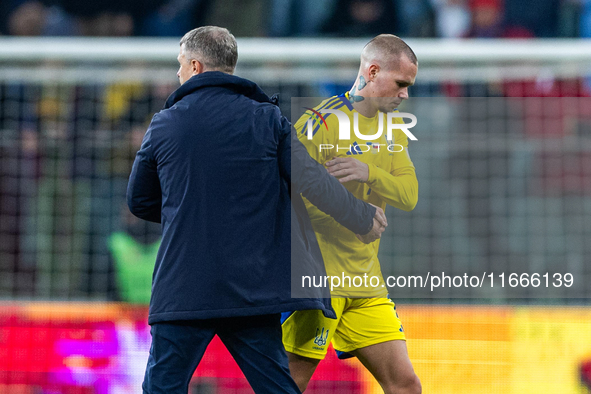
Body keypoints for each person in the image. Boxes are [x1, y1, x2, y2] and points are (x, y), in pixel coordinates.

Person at [127, 26, 388, 393]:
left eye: (181, 65)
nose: (178, 73)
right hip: (251, 287)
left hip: (184, 285)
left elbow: (138, 200)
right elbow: (311, 180)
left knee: (162, 387)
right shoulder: (268, 119)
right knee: (275, 386)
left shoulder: (165, 123)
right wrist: (361, 216)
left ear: (197, 66)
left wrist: (188, 212)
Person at [283, 34, 422, 393]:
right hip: (319, 282)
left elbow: (409, 196)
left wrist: (369, 172)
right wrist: (352, 215)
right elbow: (289, 196)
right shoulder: (320, 123)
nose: (405, 95)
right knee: (287, 384)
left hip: (365, 282)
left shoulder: (394, 130)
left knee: (406, 384)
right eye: (401, 84)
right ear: (372, 71)